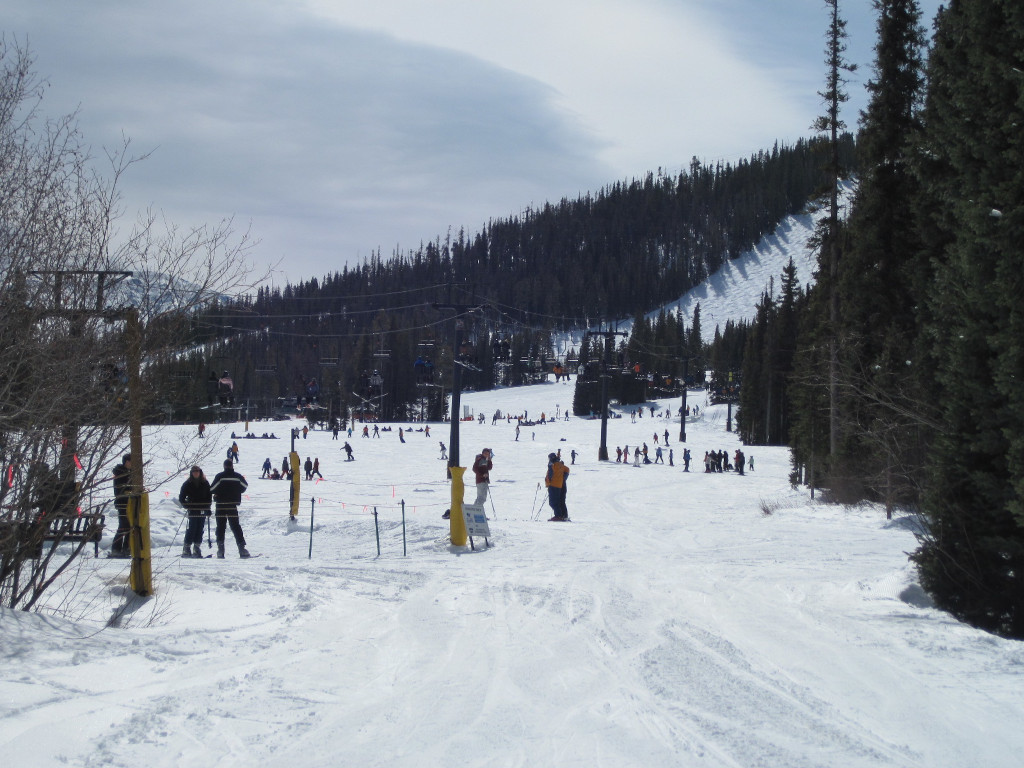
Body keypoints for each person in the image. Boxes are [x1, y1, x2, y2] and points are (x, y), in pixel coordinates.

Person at [210, 459, 250, 558]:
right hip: (232, 504)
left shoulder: (220, 476)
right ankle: (242, 548)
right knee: (235, 526)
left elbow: (212, 489)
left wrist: (219, 492)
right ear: (232, 466)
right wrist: (236, 491)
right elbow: (245, 486)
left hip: (220, 504)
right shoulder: (237, 476)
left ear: (224, 466)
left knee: (220, 527)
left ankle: (220, 549)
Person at [178, 465, 212, 557]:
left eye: (197, 471)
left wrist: (208, 508)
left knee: (200, 528)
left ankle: (196, 547)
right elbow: (181, 498)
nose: (196, 473)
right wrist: (187, 505)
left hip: (202, 509)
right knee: (192, 528)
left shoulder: (205, 483)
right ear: (191, 473)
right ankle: (187, 547)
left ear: (200, 472)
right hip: (193, 509)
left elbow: (209, 497)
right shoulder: (188, 484)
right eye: (194, 471)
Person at [110, 454, 132, 557]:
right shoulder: (120, 473)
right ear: (126, 462)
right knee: (123, 526)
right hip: (122, 502)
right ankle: (116, 548)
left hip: (130, 503)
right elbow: (121, 489)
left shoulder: (129, 473)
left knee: (128, 526)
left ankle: (125, 548)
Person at [545, 452, 570, 521]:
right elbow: (567, 469)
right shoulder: (561, 465)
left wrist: (548, 483)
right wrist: (563, 478)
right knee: (561, 501)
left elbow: (550, 475)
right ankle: (564, 515)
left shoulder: (552, 465)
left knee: (553, 502)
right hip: (560, 485)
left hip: (553, 485)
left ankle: (558, 516)